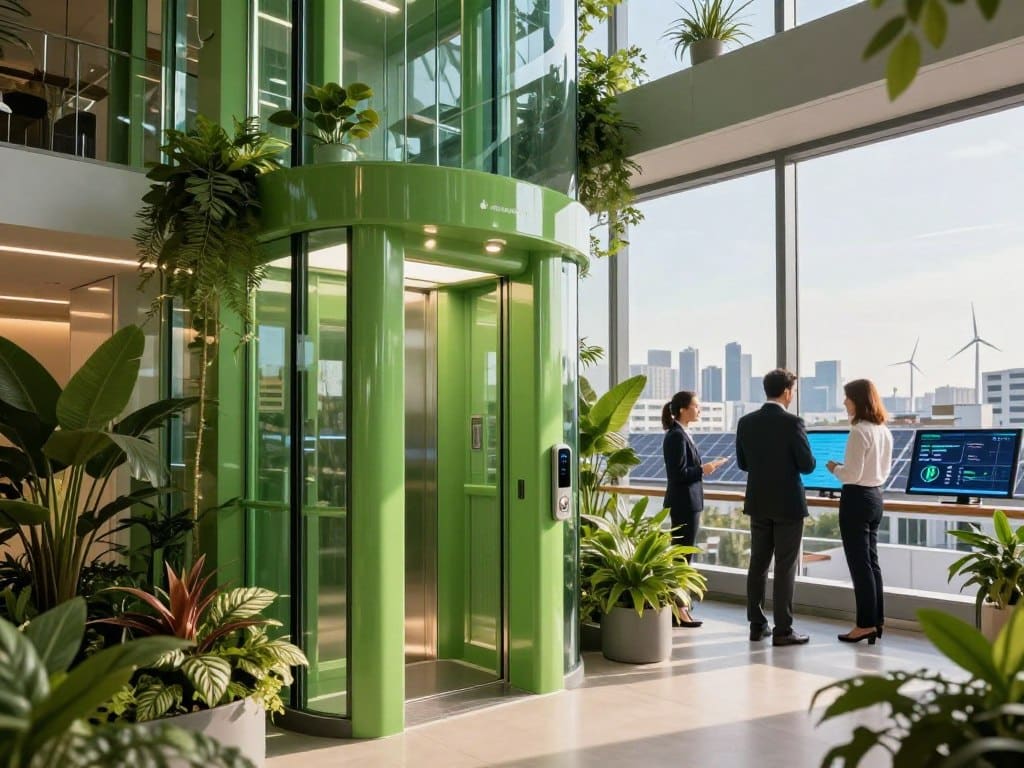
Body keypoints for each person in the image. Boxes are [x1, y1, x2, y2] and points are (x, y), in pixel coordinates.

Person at [735, 369, 815, 646]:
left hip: (758, 502)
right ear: (786, 392)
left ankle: (757, 625)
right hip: (788, 505)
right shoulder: (793, 423)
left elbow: (743, 464)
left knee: (758, 563)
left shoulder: (746, 422)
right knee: (785, 566)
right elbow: (807, 465)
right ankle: (783, 629)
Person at [826, 379, 893, 645]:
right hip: (876, 496)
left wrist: (834, 468)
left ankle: (864, 624)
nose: (844, 402)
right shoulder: (883, 431)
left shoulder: (859, 432)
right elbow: (879, 471)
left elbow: (851, 474)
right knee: (871, 563)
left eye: (847, 398)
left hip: (856, 498)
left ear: (859, 400)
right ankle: (877, 620)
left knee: (859, 565)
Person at [662, 391, 726, 628]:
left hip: (690, 503)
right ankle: (678, 609)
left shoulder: (683, 434)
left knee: (684, 556)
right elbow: (677, 474)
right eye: (696, 406)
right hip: (683, 503)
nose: (699, 410)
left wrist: (703, 468)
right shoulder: (676, 436)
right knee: (681, 557)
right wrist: (704, 468)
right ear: (682, 410)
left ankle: (680, 607)